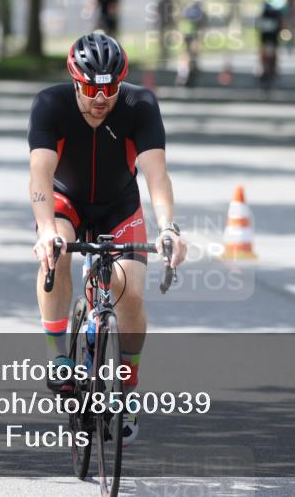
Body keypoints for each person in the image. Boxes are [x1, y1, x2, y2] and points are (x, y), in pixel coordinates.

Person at [28, 33, 188, 447]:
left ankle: (128, 389)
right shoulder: (50, 104)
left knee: (130, 292)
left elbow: (156, 174)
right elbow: (40, 176)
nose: (101, 98)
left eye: (110, 88)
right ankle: (60, 355)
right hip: (66, 202)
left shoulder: (140, 105)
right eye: (91, 88)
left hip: (119, 206)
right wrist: (46, 229)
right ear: (74, 81)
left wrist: (168, 226)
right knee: (56, 251)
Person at [256, 0, 286, 91]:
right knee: (268, 52)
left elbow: (258, 23)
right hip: (269, 36)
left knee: (268, 51)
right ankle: (267, 70)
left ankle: (266, 70)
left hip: (268, 36)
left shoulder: (268, 8)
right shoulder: (275, 8)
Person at [176, 0, 206, 87]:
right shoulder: (198, 11)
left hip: (188, 35)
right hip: (191, 35)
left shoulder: (188, 10)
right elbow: (201, 24)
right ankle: (185, 73)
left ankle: (188, 71)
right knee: (189, 54)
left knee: (189, 54)